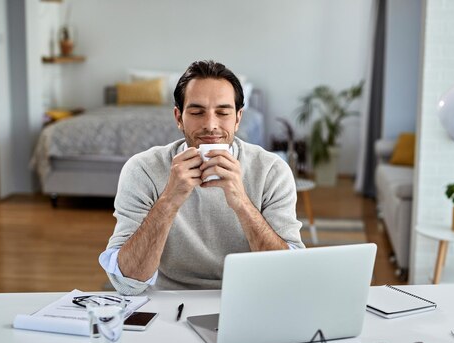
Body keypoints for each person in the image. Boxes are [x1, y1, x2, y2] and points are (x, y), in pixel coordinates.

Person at [99, 60, 304, 295]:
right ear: (178, 117)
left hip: (250, 297)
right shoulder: (143, 169)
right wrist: (169, 200)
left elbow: (289, 274)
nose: (210, 125)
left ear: (238, 119)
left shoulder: (272, 171)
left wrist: (242, 203)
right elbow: (127, 282)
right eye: (197, 112)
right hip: (169, 301)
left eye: (223, 112)